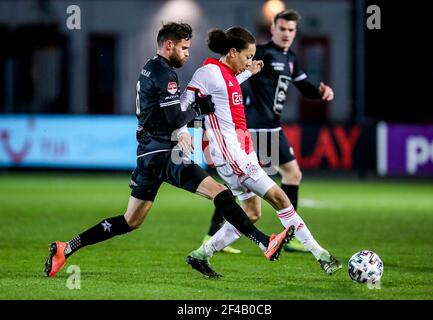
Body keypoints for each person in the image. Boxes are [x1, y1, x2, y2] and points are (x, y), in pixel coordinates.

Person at [44, 22, 295, 279]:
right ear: (169, 45)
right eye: (184, 48)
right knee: (219, 192)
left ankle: (67, 247)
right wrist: (200, 108)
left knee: (131, 220)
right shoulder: (165, 74)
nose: (187, 53)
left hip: (147, 154)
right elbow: (176, 118)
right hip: (165, 152)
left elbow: (175, 112)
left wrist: (241, 76)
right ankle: (265, 242)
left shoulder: (150, 68)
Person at [182, 26, 341, 277]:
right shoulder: (208, 73)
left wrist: (248, 74)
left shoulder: (227, 74)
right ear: (232, 52)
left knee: (252, 213)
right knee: (280, 198)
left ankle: (201, 255)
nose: (249, 62)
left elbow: (226, 88)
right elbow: (183, 105)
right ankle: (321, 255)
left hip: (242, 151)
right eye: (247, 57)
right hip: (232, 156)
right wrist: (183, 130)